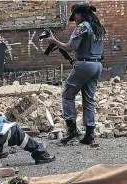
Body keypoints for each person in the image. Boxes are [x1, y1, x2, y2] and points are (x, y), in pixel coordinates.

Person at [46, 2, 105, 145]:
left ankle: (72, 130)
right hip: (97, 65)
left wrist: (54, 40)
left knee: (67, 94)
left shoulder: (82, 27)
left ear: (80, 14)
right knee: (89, 99)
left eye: (75, 16)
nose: (75, 20)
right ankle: (89, 134)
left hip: (85, 64)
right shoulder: (98, 27)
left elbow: (70, 47)